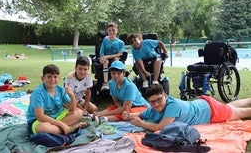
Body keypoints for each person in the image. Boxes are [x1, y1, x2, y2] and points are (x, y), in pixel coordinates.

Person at [122, 84, 251, 132]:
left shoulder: (173, 105)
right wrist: (130, 116)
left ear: (165, 96)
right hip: (203, 103)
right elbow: (141, 115)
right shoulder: (153, 109)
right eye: (152, 102)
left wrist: (142, 124)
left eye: (159, 99)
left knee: (244, 113)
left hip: (211, 111)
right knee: (229, 107)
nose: (156, 104)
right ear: (149, 102)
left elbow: (159, 127)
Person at [26, 64, 87, 135]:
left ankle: (61, 129)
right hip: (39, 121)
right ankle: (71, 127)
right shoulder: (38, 93)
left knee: (79, 112)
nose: (52, 79)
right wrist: (61, 124)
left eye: (55, 77)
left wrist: (72, 95)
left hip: (57, 117)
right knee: (43, 128)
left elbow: (71, 108)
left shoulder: (60, 89)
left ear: (59, 78)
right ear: (42, 78)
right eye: (49, 76)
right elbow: (40, 117)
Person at [99, 22, 125, 91]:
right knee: (105, 62)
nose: (111, 32)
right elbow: (102, 52)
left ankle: (117, 81)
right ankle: (105, 83)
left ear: (117, 31)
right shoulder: (105, 40)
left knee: (116, 61)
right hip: (105, 59)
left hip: (114, 58)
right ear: (107, 31)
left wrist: (107, 56)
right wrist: (102, 57)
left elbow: (119, 54)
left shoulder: (120, 42)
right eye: (109, 30)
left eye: (113, 30)